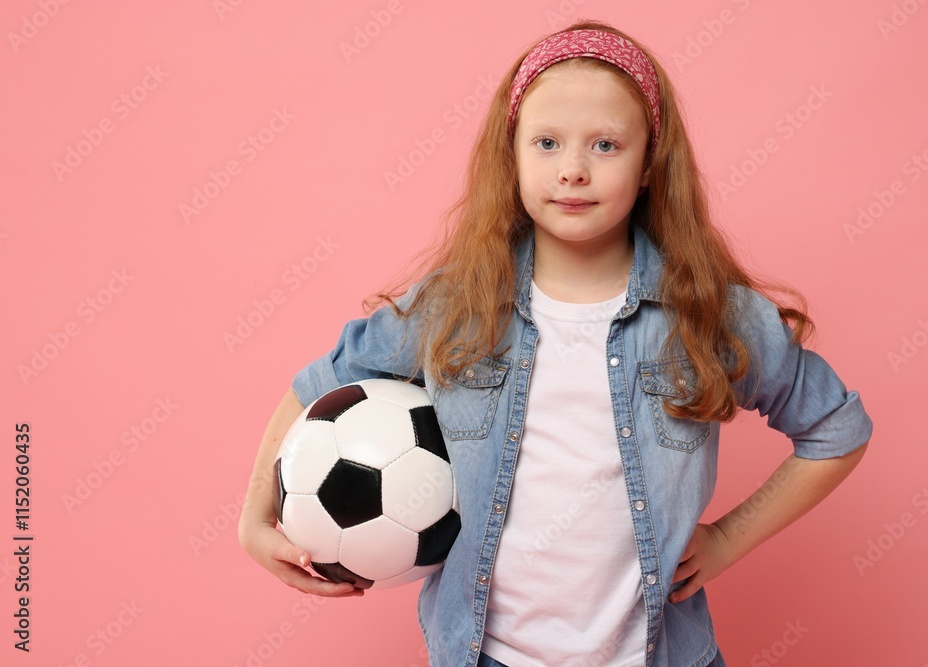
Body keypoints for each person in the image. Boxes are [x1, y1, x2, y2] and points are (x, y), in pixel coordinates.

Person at [239, 19, 873, 667]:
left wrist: (728, 539)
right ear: (511, 154)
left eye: (605, 145)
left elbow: (836, 427)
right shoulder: (457, 303)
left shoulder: (705, 312)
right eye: (546, 143)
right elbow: (318, 384)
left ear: (651, 162)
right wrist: (255, 516)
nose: (572, 170)